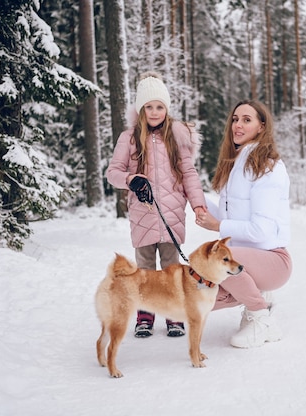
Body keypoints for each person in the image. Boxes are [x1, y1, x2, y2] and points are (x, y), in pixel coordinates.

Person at [106, 72, 206, 338]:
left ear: (167, 108)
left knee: (173, 270)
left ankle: (174, 316)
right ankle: (145, 316)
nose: (154, 112)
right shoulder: (128, 138)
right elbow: (112, 172)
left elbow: (189, 175)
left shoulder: (177, 137)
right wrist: (130, 179)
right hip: (143, 214)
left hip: (171, 216)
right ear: (140, 109)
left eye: (159, 106)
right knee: (145, 270)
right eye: (148, 107)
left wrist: (198, 205)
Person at [195, 99, 292, 348]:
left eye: (247, 120)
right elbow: (230, 218)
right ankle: (256, 304)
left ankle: (262, 318)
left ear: (261, 126)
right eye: (235, 119)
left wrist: (218, 226)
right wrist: (192, 193)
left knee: (216, 259)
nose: (238, 125)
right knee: (196, 295)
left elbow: (261, 230)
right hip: (246, 258)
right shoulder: (237, 163)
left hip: (273, 260)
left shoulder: (268, 167)